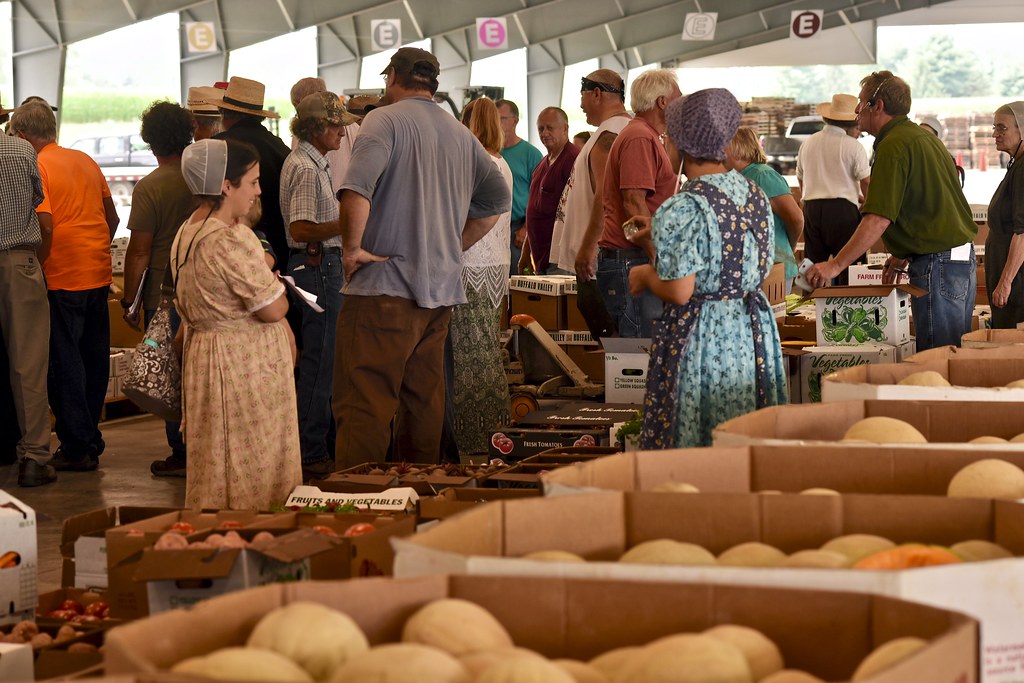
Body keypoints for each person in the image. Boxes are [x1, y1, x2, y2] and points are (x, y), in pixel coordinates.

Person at [333, 47, 510, 468]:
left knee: (365, 403)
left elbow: (356, 189)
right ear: (432, 83)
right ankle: (418, 495)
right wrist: (450, 244)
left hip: (383, 287)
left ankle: (358, 504)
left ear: (393, 76)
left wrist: (352, 249)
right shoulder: (459, 132)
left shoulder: (383, 119)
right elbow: (497, 201)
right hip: (439, 293)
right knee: (423, 403)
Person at [627, 88, 787, 449]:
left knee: (699, 436)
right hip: (751, 331)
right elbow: (747, 267)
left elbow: (681, 289)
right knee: (744, 438)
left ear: (680, 144)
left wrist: (645, 275)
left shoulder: (682, 206)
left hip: (702, 337)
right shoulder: (754, 195)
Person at [171, 138, 301, 510]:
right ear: (226, 186)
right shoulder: (232, 238)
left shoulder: (187, 232)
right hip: (244, 368)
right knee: (253, 464)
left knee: (215, 460)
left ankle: (214, 532)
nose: (259, 190)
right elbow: (273, 309)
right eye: (253, 181)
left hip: (207, 360)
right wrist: (277, 288)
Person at [805, 71, 977, 351]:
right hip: (956, 259)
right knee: (951, 354)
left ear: (878, 105)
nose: (857, 111)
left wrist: (835, 265)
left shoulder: (894, 145)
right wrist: (898, 256)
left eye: (861, 102)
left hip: (938, 263)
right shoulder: (923, 139)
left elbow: (878, 218)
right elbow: (921, 204)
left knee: (938, 358)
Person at [10, 100, 119, 473]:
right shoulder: (85, 160)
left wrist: (38, 266)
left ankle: (76, 446)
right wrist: (97, 247)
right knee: (92, 361)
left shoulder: (37, 163)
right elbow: (112, 215)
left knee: (62, 364)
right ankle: (90, 438)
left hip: (60, 276)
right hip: (97, 273)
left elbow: (46, 224)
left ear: (22, 135)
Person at [280, 91, 358, 479]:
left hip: (319, 264)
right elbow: (300, 228)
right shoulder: (308, 169)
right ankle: (311, 451)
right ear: (317, 127)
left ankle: (315, 442)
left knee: (321, 358)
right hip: (316, 264)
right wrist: (347, 224)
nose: (343, 133)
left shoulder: (314, 163)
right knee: (320, 361)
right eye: (336, 125)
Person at [120, 101, 196, 478]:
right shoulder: (200, 178)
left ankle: (181, 452)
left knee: (170, 372)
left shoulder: (150, 186)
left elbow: (139, 251)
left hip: (164, 294)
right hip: (201, 286)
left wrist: (128, 301)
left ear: (150, 141)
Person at [581, 69, 681, 338]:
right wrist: (657, 256)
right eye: (677, 98)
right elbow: (633, 203)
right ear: (662, 102)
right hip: (631, 258)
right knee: (637, 353)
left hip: (632, 257)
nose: (680, 104)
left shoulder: (646, 136)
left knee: (639, 348)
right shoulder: (639, 137)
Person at [444, 97, 513, 457]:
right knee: (487, 348)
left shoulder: (475, 162)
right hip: (497, 264)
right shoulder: (502, 163)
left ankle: (477, 435)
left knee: (470, 356)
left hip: (471, 263)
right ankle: (496, 429)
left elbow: (466, 215)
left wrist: (450, 247)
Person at [0, 120, 54, 486]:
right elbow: (37, 202)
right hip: (17, 262)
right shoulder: (22, 151)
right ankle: (34, 457)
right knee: (28, 364)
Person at [549, 69, 632, 275]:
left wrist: (588, 247)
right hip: (600, 257)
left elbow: (606, 194)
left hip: (596, 260)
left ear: (596, 93)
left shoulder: (610, 133)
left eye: (581, 96)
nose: (580, 106)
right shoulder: (619, 129)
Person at [213, 76, 291, 268]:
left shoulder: (219, 146)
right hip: (276, 248)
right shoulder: (279, 147)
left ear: (226, 113)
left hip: (229, 245)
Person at [796, 94, 871, 286]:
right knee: (849, 268)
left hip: (812, 209)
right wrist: (868, 207)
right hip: (843, 213)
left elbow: (801, 178)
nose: (859, 132)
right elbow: (867, 182)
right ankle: (849, 310)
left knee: (813, 271)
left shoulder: (808, 143)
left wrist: (807, 200)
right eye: (858, 128)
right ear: (849, 125)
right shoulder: (853, 146)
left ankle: (810, 311)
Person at [726, 127, 804, 292]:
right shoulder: (735, 178)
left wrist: (791, 244)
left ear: (738, 149)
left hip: (773, 267)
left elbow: (796, 218)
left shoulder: (763, 176)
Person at [518, 107, 578, 275]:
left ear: (565, 128)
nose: (544, 133)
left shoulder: (574, 160)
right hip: (540, 260)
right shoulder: (542, 164)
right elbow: (534, 211)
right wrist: (525, 252)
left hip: (561, 261)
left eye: (550, 128)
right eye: (540, 129)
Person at [986, 102, 1024, 328]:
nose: (994, 134)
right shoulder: (1016, 166)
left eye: (1002, 128)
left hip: (1017, 287)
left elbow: (1023, 232)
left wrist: (1005, 282)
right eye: (994, 127)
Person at [497, 99, 543, 275]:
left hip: (517, 228)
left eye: (502, 118)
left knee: (517, 280)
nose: (497, 123)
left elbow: (539, 197)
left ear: (515, 120)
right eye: (495, 119)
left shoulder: (531, 154)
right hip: (493, 225)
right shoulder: (490, 152)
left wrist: (526, 228)